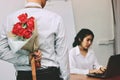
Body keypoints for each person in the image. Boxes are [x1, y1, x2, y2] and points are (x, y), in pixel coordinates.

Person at [0, 0, 69, 80]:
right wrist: (65, 78)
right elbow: (62, 54)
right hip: (50, 75)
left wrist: (26, 59)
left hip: (24, 76)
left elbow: (1, 50)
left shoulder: (10, 19)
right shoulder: (55, 18)